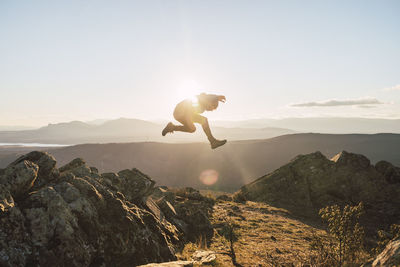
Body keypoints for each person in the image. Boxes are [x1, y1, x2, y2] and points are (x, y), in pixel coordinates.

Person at [162, 93, 227, 149]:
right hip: (180, 112)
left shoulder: (204, 102)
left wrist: (217, 97)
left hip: (182, 113)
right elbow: (189, 107)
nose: (211, 110)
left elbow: (207, 97)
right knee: (200, 122)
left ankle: (171, 127)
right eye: (212, 108)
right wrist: (188, 120)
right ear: (210, 103)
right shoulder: (201, 101)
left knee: (193, 129)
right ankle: (213, 141)